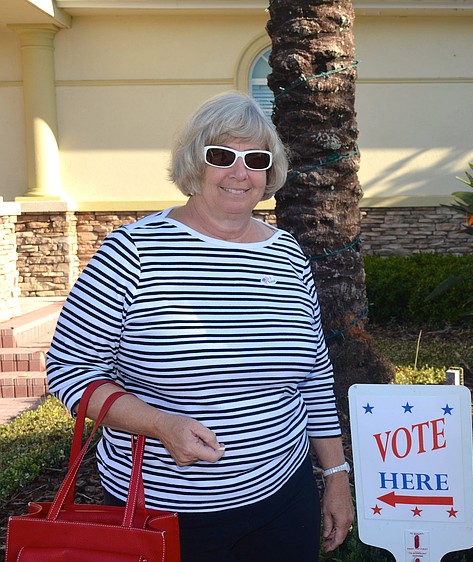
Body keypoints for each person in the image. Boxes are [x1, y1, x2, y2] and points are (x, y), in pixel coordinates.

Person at [46, 90, 354, 562]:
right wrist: (160, 424)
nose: (240, 171)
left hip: (284, 500)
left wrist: (335, 478)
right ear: (195, 162)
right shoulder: (132, 252)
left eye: (255, 158)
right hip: (163, 513)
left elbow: (312, 375)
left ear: (269, 172)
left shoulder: (288, 254)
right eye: (221, 156)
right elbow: (71, 371)